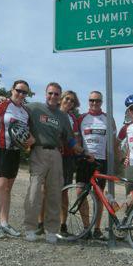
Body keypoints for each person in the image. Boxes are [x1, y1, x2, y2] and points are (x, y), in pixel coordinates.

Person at [24, 82, 82, 243]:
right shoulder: (34, 108)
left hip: (56, 155)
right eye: (50, 93)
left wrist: (79, 149)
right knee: (35, 190)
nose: (53, 96)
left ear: (59, 96)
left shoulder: (63, 117)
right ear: (46, 93)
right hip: (38, 151)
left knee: (55, 193)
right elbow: (16, 108)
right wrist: (2, 100)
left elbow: (69, 138)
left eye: (56, 94)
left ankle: (51, 230)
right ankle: (30, 228)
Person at [0, 80, 35, 239]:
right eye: (19, 90)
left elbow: (28, 133)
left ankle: (5, 223)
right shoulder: (2, 104)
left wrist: (31, 140)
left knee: (8, 188)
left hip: (14, 152)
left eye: (24, 92)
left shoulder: (25, 111)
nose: (21, 94)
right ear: (12, 90)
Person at [36, 90, 81, 237]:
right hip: (50, 154)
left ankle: (62, 225)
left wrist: (80, 151)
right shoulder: (50, 112)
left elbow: (74, 139)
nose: (69, 102)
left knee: (64, 192)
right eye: (67, 99)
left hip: (67, 158)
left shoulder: (73, 118)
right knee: (45, 190)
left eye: (72, 101)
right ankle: (40, 223)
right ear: (61, 99)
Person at [76, 90, 116, 240]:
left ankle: (97, 229)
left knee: (99, 196)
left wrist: (117, 161)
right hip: (85, 160)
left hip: (101, 161)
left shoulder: (108, 119)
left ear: (102, 102)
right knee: (80, 193)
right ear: (88, 101)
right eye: (92, 100)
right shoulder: (81, 118)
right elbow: (77, 139)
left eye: (97, 101)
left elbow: (114, 142)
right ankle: (87, 227)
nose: (94, 103)